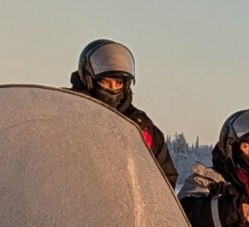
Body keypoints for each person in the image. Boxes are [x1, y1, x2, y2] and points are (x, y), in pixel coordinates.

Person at [70, 39, 177, 188]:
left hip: (122, 204)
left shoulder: (140, 126)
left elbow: (165, 178)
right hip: (69, 197)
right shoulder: (66, 110)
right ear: (89, 79)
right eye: (106, 82)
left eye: (118, 83)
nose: (113, 88)